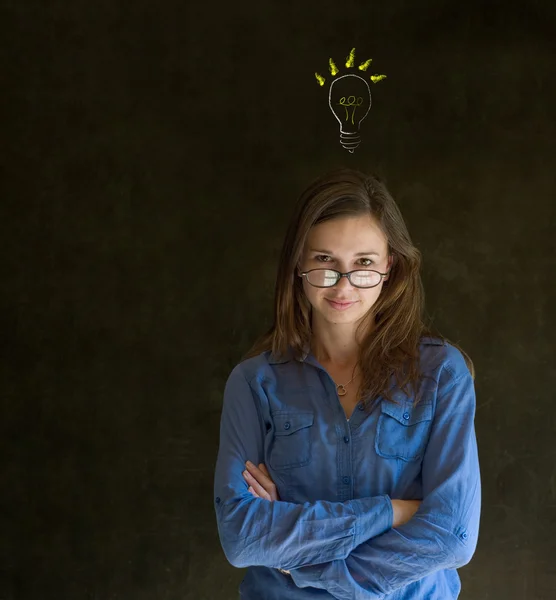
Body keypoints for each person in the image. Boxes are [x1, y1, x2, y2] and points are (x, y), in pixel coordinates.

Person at [213, 167, 481, 599]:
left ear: (390, 266)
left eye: (364, 264)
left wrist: (299, 563)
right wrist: (391, 512)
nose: (343, 284)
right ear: (298, 263)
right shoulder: (253, 383)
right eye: (324, 261)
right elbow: (243, 538)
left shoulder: (441, 375)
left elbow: (453, 536)